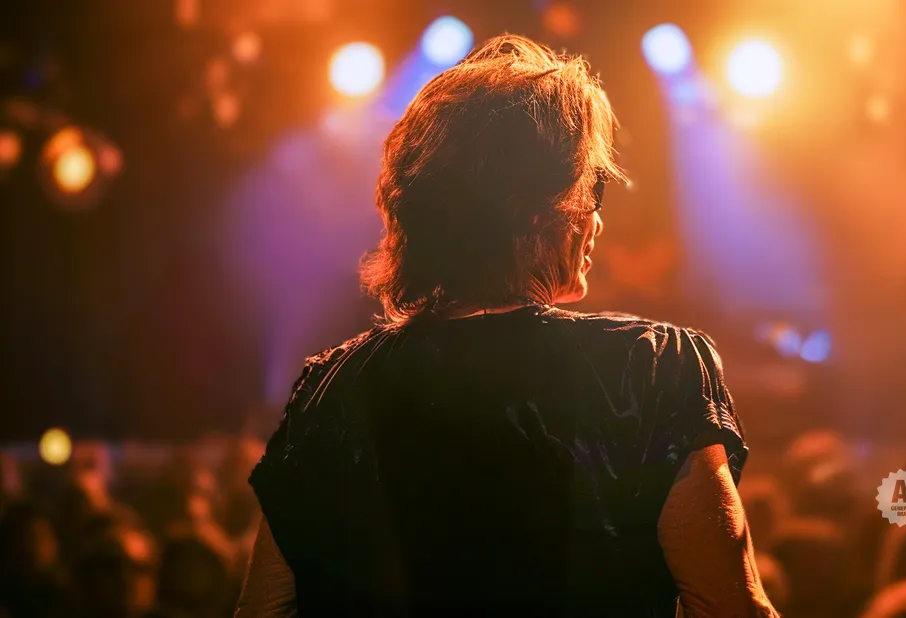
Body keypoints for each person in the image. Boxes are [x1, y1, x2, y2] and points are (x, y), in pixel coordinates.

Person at [237, 34, 776, 617]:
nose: (597, 219)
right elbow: (731, 607)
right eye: (591, 188)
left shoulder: (330, 390)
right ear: (538, 210)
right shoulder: (650, 371)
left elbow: (264, 610)